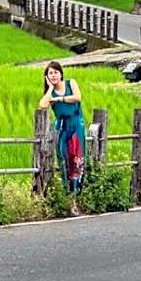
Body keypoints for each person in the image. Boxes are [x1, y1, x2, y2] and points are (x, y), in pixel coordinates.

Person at [39, 61, 85, 193]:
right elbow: (42, 105)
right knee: (64, 158)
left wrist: (60, 99)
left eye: (56, 72)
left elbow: (78, 97)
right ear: (47, 77)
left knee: (77, 158)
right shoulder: (50, 93)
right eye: (50, 73)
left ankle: (77, 193)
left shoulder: (71, 83)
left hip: (76, 125)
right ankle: (67, 192)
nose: (53, 75)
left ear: (61, 74)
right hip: (62, 129)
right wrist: (50, 88)